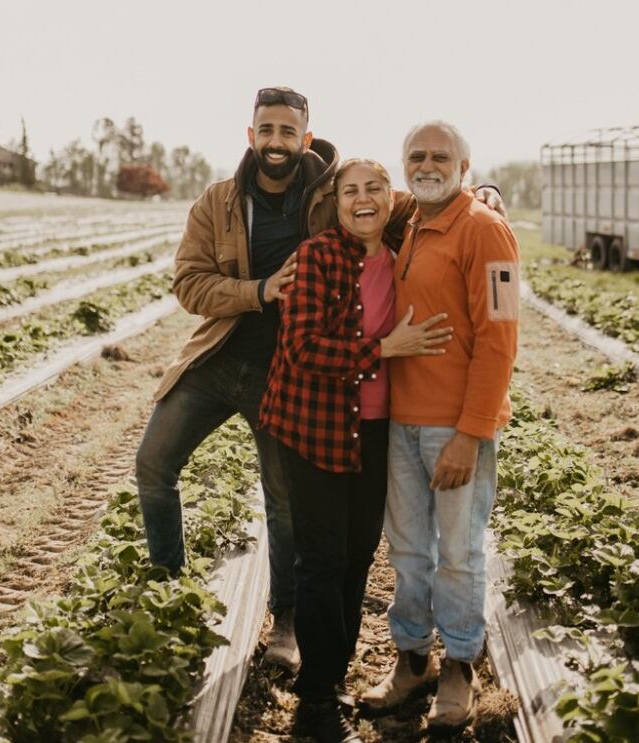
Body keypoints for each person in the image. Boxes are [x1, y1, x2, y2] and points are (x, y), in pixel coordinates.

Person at [135, 87, 504, 672]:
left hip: (284, 375)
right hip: (220, 355)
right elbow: (188, 284)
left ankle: (286, 625)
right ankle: (165, 591)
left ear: (305, 139)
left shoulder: (325, 191)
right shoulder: (219, 201)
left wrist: (481, 192)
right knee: (154, 465)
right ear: (250, 135)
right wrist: (259, 291)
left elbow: (409, 199)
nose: (276, 142)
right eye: (266, 130)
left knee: (285, 505)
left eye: (288, 132)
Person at [259, 158, 454, 743]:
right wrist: (382, 349)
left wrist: (489, 192)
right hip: (311, 427)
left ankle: (332, 675)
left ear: (391, 199)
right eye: (351, 191)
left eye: (374, 188)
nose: (363, 199)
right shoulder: (319, 256)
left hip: (373, 430)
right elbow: (301, 348)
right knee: (321, 564)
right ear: (336, 202)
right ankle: (316, 701)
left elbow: (452, 201)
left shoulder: (401, 255)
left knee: (356, 557)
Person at [361, 121, 519, 732]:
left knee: (457, 553)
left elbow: (500, 340)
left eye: (440, 156)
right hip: (401, 422)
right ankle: (411, 659)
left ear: (465, 165)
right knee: (406, 551)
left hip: (454, 428)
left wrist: (471, 432)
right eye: (416, 156)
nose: (427, 164)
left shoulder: (486, 229)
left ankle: (459, 666)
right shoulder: (413, 225)